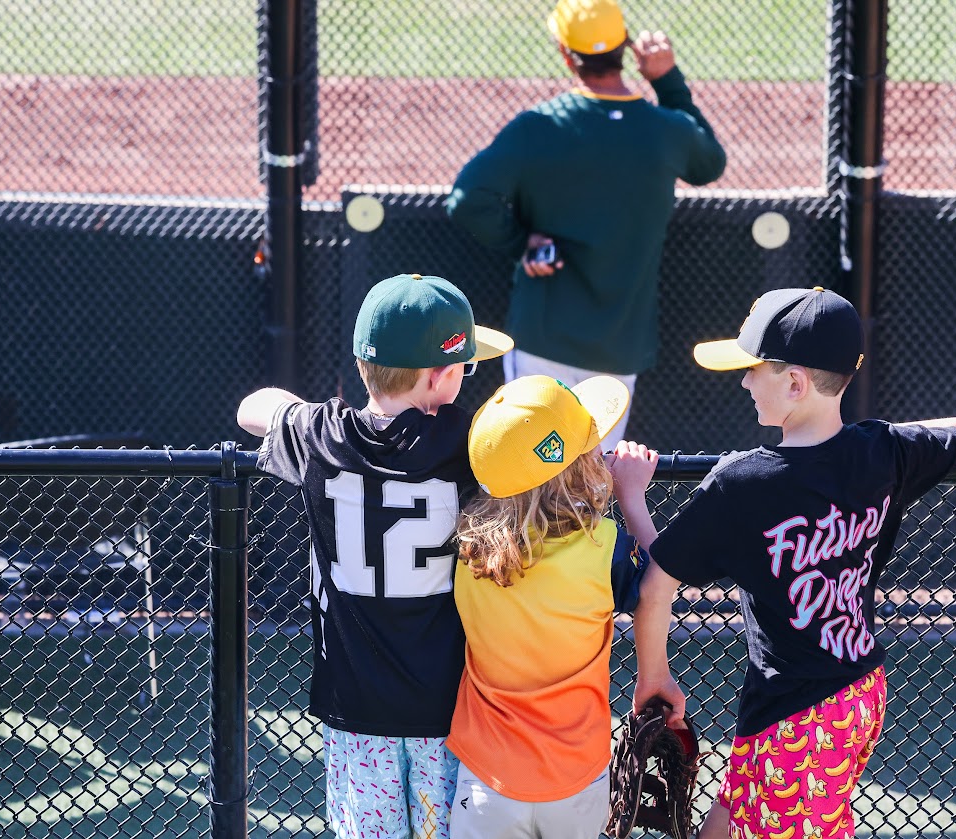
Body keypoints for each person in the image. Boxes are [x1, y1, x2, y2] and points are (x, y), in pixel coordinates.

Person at [609, 287, 956, 839]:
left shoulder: (740, 483)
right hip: (857, 692)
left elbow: (657, 584)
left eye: (755, 370)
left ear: (796, 383)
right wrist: (898, 435)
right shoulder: (882, 451)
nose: (745, 381)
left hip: (798, 716)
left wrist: (632, 499)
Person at [236, 273, 513, 839]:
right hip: (450, 703)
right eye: (465, 368)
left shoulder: (320, 435)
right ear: (440, 377)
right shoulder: (471, 442)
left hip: (355, 705)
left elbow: (252, 408)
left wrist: (305, 411)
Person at [445, 0, 727, 450]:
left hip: (543, 336)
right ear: (625, 49)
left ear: (565, 53)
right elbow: (709, 163)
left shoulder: (541, 126)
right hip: (620, 345)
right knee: (594, 483)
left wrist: (522, 242)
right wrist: (667, 81)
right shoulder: (665, 129)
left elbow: (466, 199)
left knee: (530, 478)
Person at [446, 374, 651, 839]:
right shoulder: (605, 548)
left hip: (487, 777)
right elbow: (661, 577)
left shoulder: (466, 552)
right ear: (578, 467)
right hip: (577, 775)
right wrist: (632, 498)